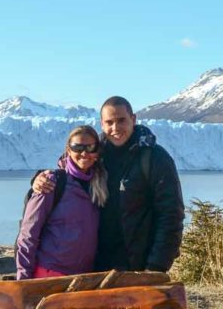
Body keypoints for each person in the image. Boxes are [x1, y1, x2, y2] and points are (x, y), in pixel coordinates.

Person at [33, 96, 184, 273]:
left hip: (138, 266)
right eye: (109, 122)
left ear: (133, 119)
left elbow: (171, 215)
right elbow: (69, 170)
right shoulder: (95, 153)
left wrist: (156, 266)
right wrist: (40, 177)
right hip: (95, 266)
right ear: (102, 124)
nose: (115, 128)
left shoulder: (155, 158)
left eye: (121, 120)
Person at [15, 125, 108, 279]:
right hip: (49, 274)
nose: (84, 153)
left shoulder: (100, 185)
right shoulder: (52, 183)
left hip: (82, 278)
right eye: (77, 147)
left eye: (90, 147)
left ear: (97, 152)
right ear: (68, 150)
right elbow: (28, 234)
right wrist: (23, 280)